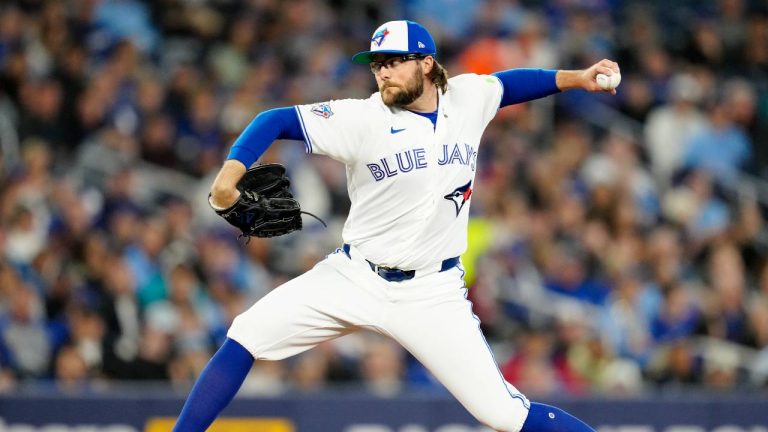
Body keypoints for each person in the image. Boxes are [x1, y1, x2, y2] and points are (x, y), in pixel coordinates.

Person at [174, 20, 619, 432]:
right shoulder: (362, 118)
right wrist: (228, 176)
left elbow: (511, 84)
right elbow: (272, 119)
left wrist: (576, 77)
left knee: (503, 413)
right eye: (377, 64)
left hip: (431, 292)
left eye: (393, 62)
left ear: (426, 64)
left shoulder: (466, 98)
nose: (382, 72)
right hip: (354, 276)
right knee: (246, 334)